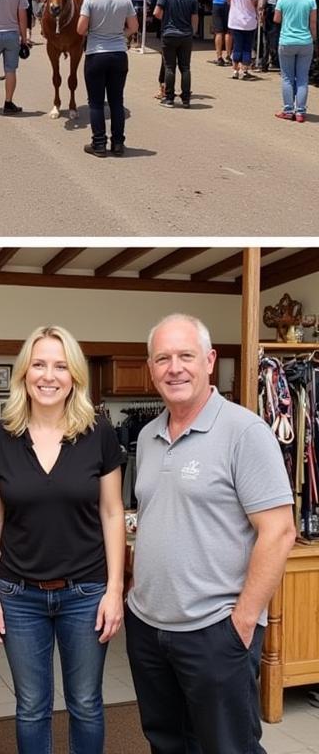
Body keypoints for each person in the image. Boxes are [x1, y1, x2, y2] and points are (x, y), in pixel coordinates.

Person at [125, 314, 297, 754]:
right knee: (166, 742)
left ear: (210, 361)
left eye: (186, 356)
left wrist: (241, 621)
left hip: (214, 630)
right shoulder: (147, 436)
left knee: (228, 746)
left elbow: (278, 532)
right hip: (148, 627)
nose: (174, 368)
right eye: (162, 358)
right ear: (151, 368)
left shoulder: (245, 431)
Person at [0, 326, 124, 754]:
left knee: (86, 704)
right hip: (18, 595)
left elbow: (112, 511)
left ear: (75, 376)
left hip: (86, 592)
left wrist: (114, 589)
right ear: (24, 374)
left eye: (60, 366)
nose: (49, 375)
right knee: (31, 707)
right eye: (39, 364)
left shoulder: (98, 432)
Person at [76, 0, 139, 157]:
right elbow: (134, 27)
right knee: (116, 101)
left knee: (95, 102)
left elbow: (80, 29)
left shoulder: (91, 0)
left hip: (96, 52)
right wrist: (121, 35)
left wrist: (95, 32)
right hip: (118, 52)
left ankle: (99, 143)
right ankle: (118, 143)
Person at [273, 0, 317, 122]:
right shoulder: (310, 0)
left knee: (287, 77)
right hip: (305, 41)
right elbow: (313, 23)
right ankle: (300, 111)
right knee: (302, 77)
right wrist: (314, 39)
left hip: (287, 41)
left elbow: (276, 19)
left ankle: (288, 109)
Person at [153, 0, 200, 108]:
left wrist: (165, 19)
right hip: (186, 35)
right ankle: (186, 99)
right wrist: (193, 31)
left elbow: (156, 13)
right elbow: (195, 17)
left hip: (169, 33)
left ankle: (169, 98)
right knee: (185, 67)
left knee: (169, 66)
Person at [224, 0, 260, 80]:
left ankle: (235, 70)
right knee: (247, 46)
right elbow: (254, 1)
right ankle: (245, 70)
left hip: (235, 19)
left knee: (237, 45)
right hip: (249, 19)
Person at [257, 0, 288, 71]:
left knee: (267, 36)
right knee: (280, 35)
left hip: (270, 8)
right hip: (282, 9)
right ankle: (278, 61)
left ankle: (264, 62)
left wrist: (260, 9)